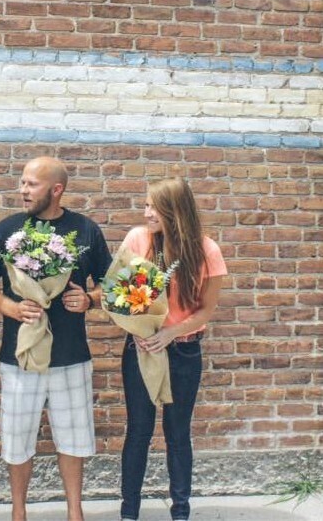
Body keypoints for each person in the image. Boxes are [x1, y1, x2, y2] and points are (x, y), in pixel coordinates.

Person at [0, 157, 112, 521]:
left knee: (74, 438)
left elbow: (112, 284)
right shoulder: (7, 230)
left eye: (31, 184)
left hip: (71, 356)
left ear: (56, 189)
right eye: (22, 182)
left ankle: (75, 512)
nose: (22, 190)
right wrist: (11, 307)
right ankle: (18, 512)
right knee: (17, 439)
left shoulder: (85, 231)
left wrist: (89, 300)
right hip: (19, 356)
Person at [118, 177, 227, 521]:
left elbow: (206, 310)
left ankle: (181, 510)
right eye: (146, 204)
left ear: (174, 210)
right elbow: (122, 295)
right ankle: (128, 512)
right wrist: (137, 329)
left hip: (183, 351)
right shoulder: (138, 239)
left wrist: (171, 333)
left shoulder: (206, 250)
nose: (146, 212)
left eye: (153, 206)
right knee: (138, 430)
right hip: (142, 348)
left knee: (177, 433)